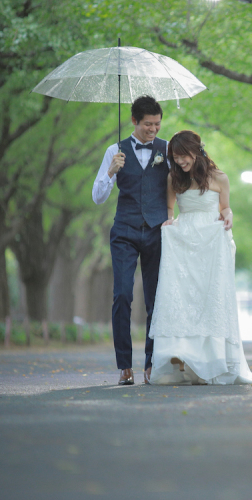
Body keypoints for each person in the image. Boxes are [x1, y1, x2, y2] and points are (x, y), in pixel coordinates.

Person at [147, 130, 252, 385]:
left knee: (211, 299)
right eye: (176, 157)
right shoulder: (174, 178)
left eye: (184, 156)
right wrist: (169, 222)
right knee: (184, 297)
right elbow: (170, 209)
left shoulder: (219, 178)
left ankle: (210, 361)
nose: (181, 162)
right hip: (184, 242)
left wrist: (229, 215)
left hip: (211, 241)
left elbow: (225, 208)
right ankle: (184, 357)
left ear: (197, 151)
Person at [92, 95, 167, 385]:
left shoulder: (167, 149)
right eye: (148, 124)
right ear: (134, 121)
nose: (153, 130)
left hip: (158, 232)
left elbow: (183, 183)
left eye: (158, 124)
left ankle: (151, 363)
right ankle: (125, 365)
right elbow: (98, 198)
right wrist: (111, 172)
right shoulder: (115, 150)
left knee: (155, 299)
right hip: (124, 231)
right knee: (122, 294)